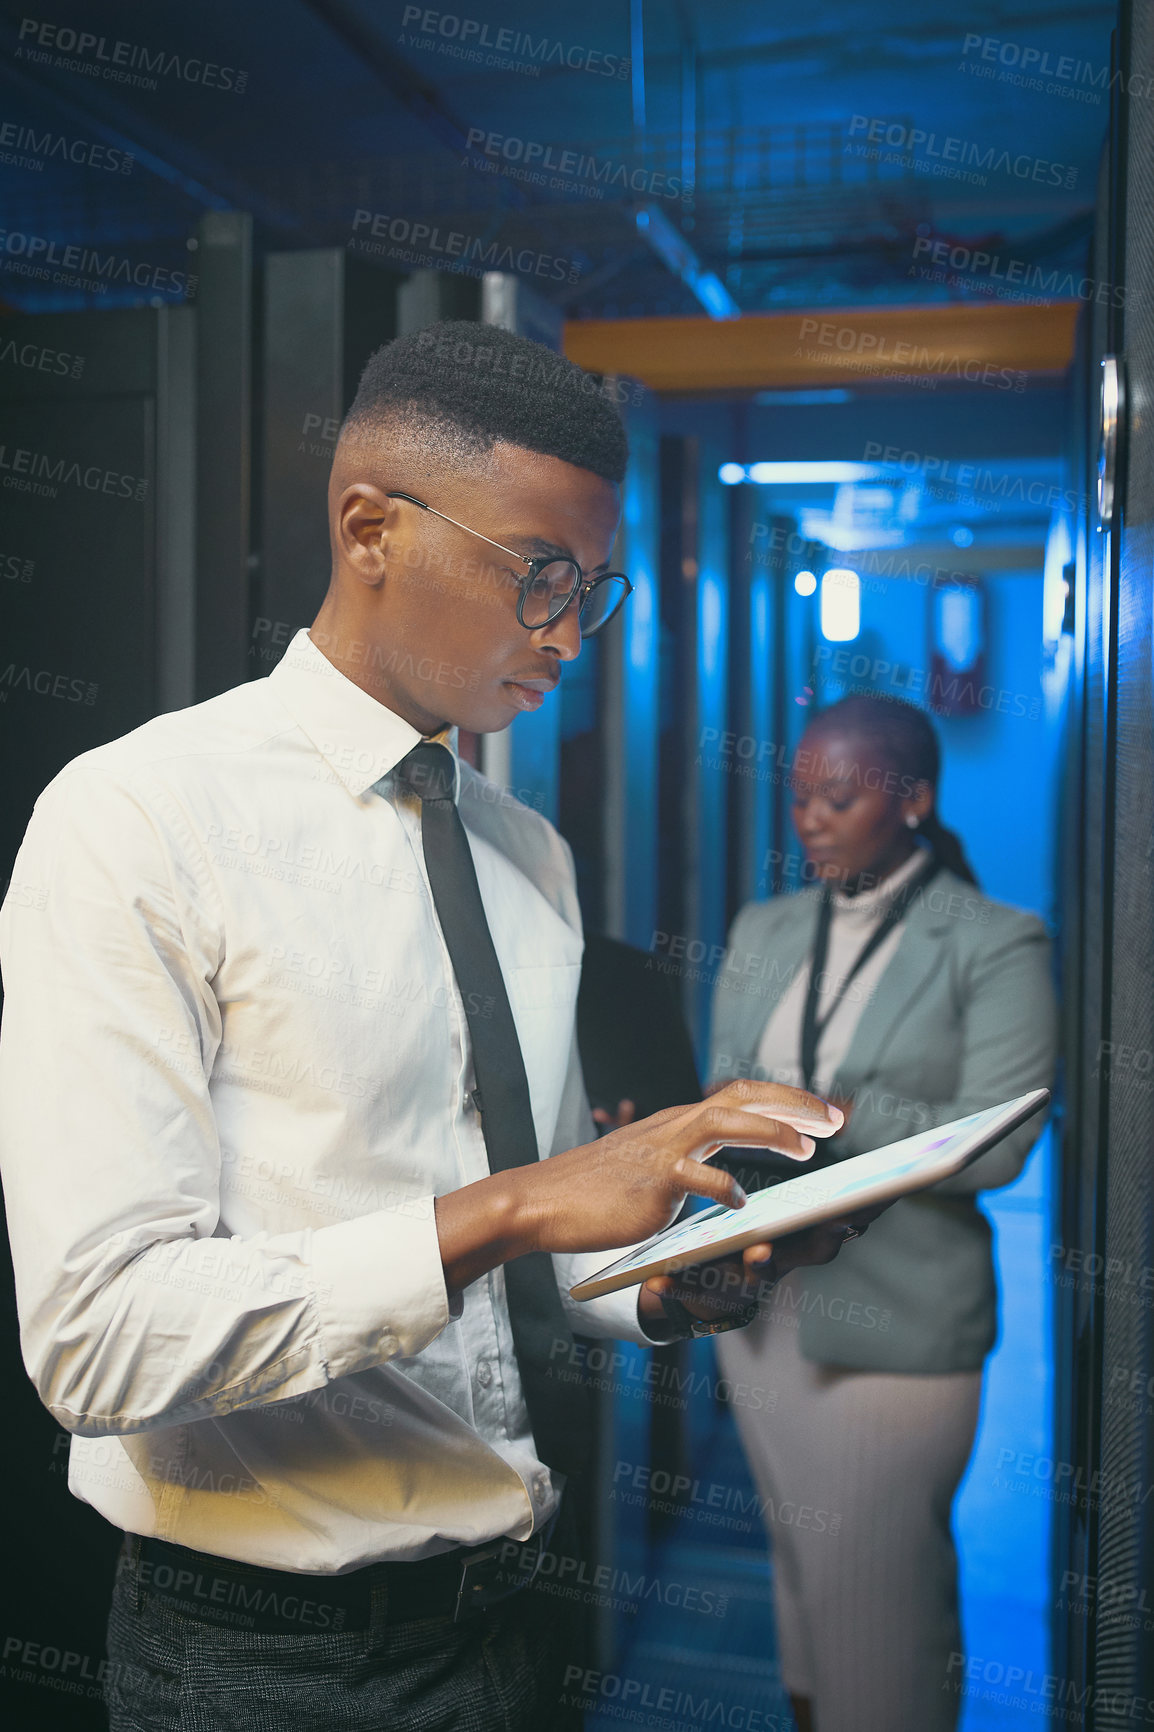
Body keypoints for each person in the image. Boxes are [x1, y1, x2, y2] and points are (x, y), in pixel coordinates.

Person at [0, 321, 860, 1732]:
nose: (569, 639)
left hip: (516, 1626)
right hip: (262, 1662)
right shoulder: (140, 818)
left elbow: (524, 1278)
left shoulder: (530, 855)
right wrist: (521, 1204)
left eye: (593, 589)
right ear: (369, 529)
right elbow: (100, 1340)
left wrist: (670, 1277)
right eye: (538, 578)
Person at [709, 693, 1058, 1732]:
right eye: (797, 794)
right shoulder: (761, 926)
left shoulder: (994, 939)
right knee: (804, 1590)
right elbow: (725, 1095)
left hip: (895, 1334)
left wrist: (841, 1114)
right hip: (758, 1312)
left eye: (837, 795)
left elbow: (996, 1141)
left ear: (914, 799)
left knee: (882, 1615)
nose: (807, 817)